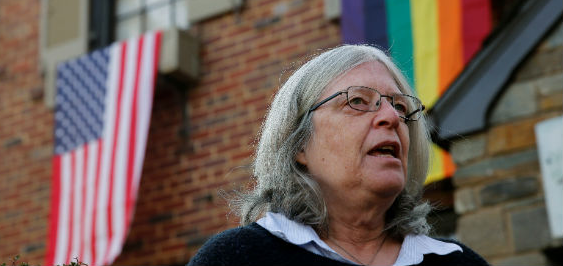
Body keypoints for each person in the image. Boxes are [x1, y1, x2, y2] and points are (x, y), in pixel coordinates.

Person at [187, 45, 489, 266]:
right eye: (357, 101)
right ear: (299, 144)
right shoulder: (236, 259)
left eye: (399, 106)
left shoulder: (460, 264)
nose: (392, 117)